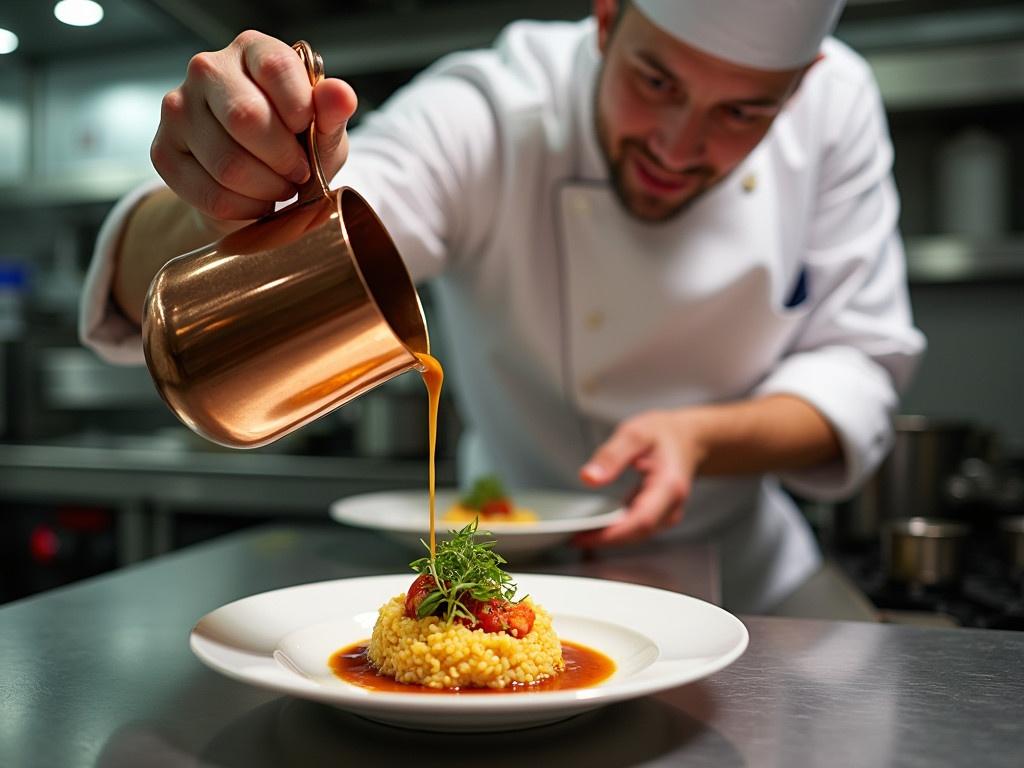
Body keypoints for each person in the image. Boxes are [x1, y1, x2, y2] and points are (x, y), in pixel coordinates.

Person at [79, 0, 926, 613]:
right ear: (606, 21)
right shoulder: (495, 106)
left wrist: (701, 438)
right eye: (655, 81)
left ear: (801, 83)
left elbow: (860, 365)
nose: (678, 144)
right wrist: (219, 191)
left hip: (754, 571)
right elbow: (332, 220)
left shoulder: (837, 106)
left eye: (742, 111)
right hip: (500, 572)